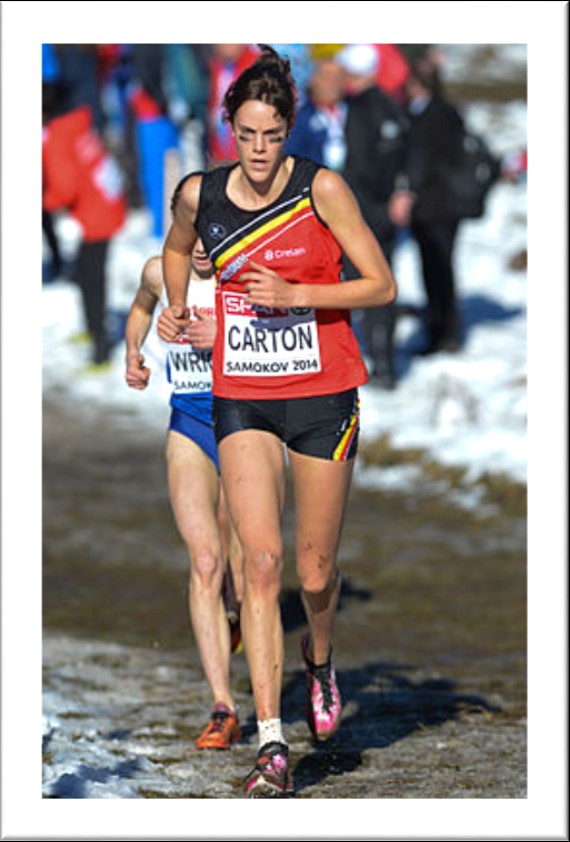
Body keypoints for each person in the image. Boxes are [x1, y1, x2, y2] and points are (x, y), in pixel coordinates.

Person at [158, 45, 397, 797]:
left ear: (289, 130)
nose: (259, 153)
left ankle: (319, 659)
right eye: (247, 135)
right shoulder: (203, 195)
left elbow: (381, 285)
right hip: (245, 396)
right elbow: (174, 249)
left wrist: (298, 295)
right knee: (257, 565)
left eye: (272, 136)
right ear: (228, 127)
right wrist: (176, 304)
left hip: (324, 395)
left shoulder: (320, 189)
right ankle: (270, 739)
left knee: (314, 572)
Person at [124, 225, 244, 750]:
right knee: (204, 561)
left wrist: (226, 332)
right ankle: (223, 706)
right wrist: (135, 350)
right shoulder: (158, 271)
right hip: (189, 420)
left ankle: (238, 613)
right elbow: (139, 308)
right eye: (187, 231)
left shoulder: (241, 275)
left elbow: (291, 327)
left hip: (247, 422)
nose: (199, 244)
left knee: (244, 564)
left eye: (210, 230)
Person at [336, 43, 410, 389]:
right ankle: (385, 365)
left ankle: (365, 364)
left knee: (358, 289)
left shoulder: (361, 110)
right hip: (383, 211)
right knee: (383, 286)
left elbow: (360, 166)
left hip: (362, 213)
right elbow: (406, 155)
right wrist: (401, 192)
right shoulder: (391, 106)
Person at [42, 81, 127, 367]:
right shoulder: (76, 122)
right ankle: (93, 328)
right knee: (84, 269)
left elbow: (64, 188)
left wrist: (46, 202)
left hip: (95, 216)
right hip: (108, 200)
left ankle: (100, 347)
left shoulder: (56, 137)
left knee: (92, 280)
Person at [390, 57, 470, 355]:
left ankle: (446, 332)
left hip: (441, 207)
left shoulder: (438, 114)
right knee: (432, 269)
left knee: (440, 269)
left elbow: (437, 160)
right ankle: (438, 329)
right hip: (427, 208)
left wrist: (412, 189)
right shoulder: (419, 113)